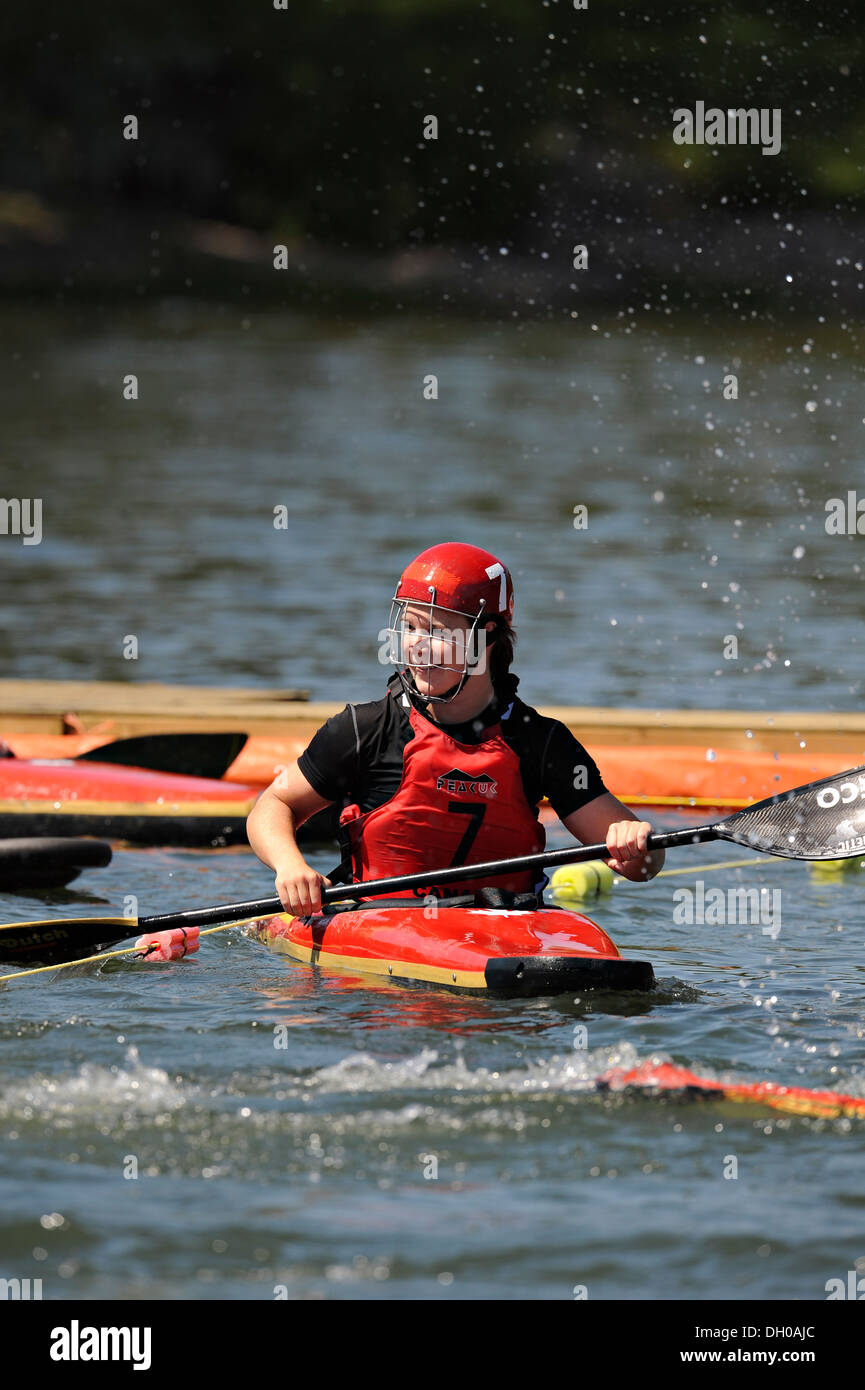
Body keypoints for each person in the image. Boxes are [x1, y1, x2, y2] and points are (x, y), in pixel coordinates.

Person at [247, 542, 665, 915]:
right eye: (410, 628)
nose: (418, 646)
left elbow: (645, 867)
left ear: (487, 640)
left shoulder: (542, 742)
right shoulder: (363, 729)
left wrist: (635, 847)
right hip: (378, 933)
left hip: (502, 933)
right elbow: (272, 806)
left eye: (439, 632)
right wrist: (291, 866)